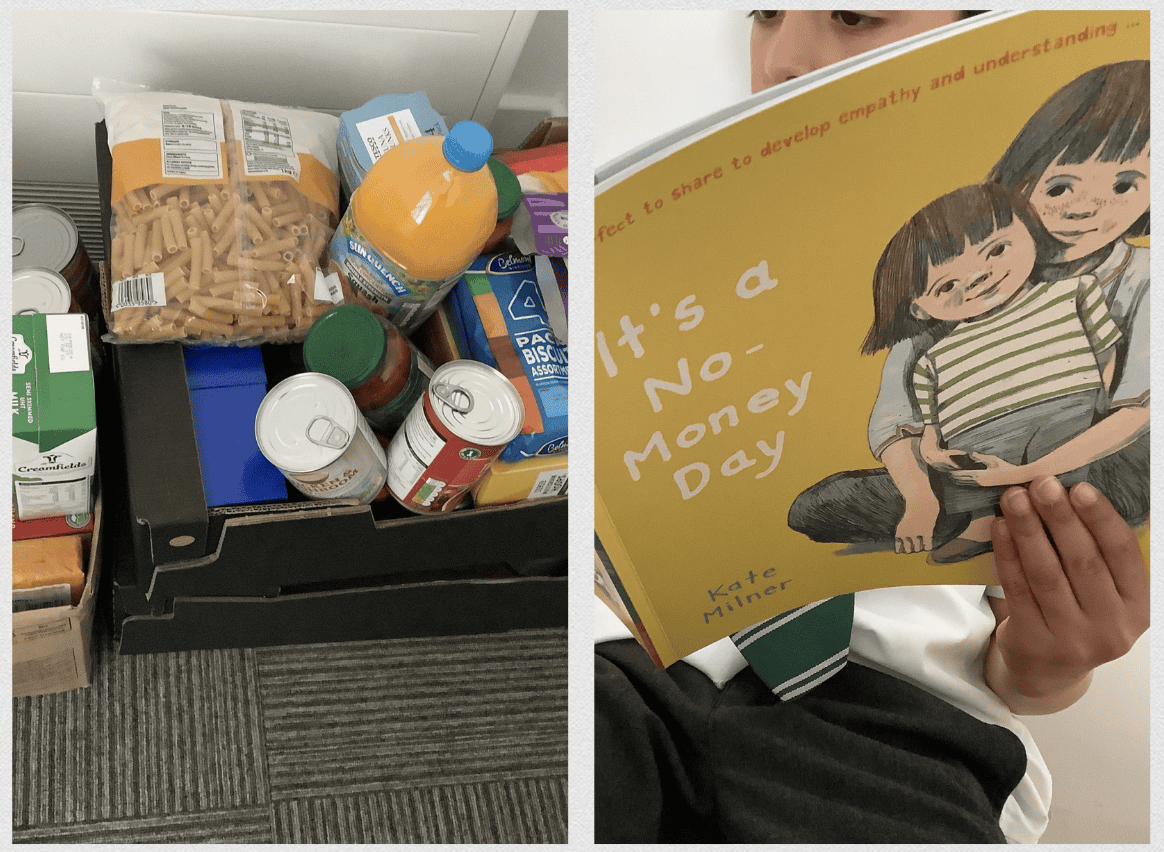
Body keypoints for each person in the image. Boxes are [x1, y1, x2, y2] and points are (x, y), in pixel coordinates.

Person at [595, 11, 1149, 843]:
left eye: (854, 13)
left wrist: (1050, 661)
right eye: (764, 14)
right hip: (627, 663)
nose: (782, 59)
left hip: (891, 711)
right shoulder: (662, 245)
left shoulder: (1053, 275)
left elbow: (1026, 673)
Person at [790, 59, 1150, 555]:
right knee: (821, 505)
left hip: (1094, 452)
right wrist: (919, 495)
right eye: (1060, 187)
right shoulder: (963, 274)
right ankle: (977, 510)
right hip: (980, 458)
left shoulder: (1143, 278)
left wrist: (1031, 470)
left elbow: (1137, 407)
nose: (1086, 207)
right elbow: (899, 413)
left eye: (1125, 185)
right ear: (1020, 179)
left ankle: (998, 511)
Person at [859, 182, 1123, 563]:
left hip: (1066, 409)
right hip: (976, 435)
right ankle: (979, 524)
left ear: (1031, 233)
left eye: (996, 250)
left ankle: (1060, 512)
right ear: (919, 308)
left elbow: (1106, 353)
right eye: (947, 285)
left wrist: (1101, 399)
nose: (978, 278)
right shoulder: (932, 357)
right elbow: (932, 422)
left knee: (1066, 471)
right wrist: (932, 452)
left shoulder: (1074, 292)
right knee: (968, 475)